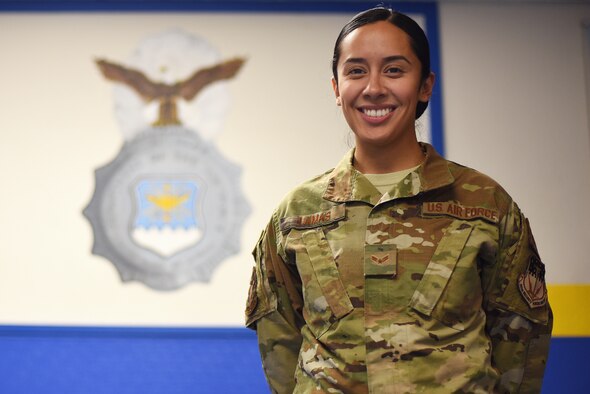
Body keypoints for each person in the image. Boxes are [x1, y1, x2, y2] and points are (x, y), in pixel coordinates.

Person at [245, 7, 552, 393]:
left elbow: (520, 345)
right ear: (336, 89)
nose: (374, 87)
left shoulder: (486, 205)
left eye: (394, 70)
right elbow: (281, 344)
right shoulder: (298, 213)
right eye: (356, 71)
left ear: (425, 85)